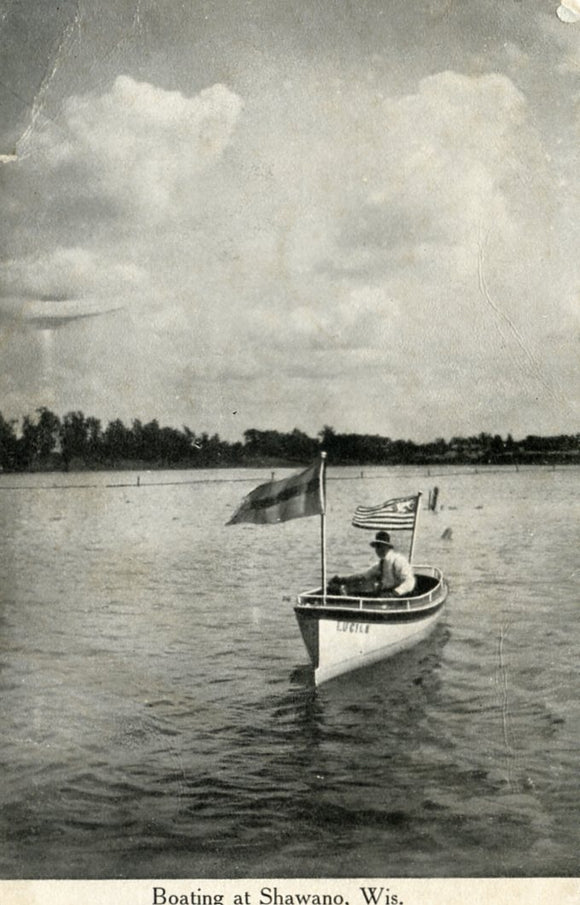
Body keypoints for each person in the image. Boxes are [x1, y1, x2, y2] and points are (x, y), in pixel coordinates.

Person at [329, 530, 416, 597]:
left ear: (387, 546)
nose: (377, 550)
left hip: (400, 597)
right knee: (356, 593)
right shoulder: (381, 564)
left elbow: (410, 582)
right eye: (376, 547)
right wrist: (343, 580)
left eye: (379, 546)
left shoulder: (398, 561)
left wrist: (395, 593)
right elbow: (364, 576)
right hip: (385, 594)